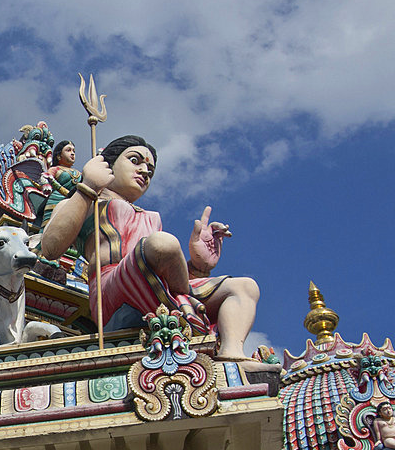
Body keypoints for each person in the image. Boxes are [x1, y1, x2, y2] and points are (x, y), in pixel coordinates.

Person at [41, 134, 264, 367]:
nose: (145, 171)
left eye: (150, 169)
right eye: (135, 160)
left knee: (244, 286)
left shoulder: (148, 216)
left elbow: (159, 262)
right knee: (161, 244)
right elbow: (50, 248)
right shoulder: (86, 201)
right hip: (112, 288)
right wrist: (88, 186)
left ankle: (231, 356)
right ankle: (186, 300)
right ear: (106, 163)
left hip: (155, 282)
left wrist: (198, 266)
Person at [40, 139, 82, 228]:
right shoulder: (56, 169)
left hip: (75, 201)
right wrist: (47, 184)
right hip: (57, 200)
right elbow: (45, 177)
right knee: (49, 227)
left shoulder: (79, 173)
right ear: (59, 156)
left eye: (73, 151)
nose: (72, 153)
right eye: (68, 150)